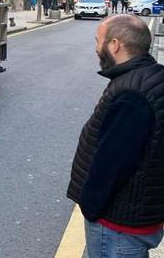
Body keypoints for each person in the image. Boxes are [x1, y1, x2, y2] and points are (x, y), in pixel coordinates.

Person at [68, 14, 164, 257]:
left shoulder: (131, 94)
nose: (96, 48)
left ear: (115, 44)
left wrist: (91, 208)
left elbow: (113, 162)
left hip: (117, 224)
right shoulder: (152, 77)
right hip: (139, 214)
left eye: (98, 41)